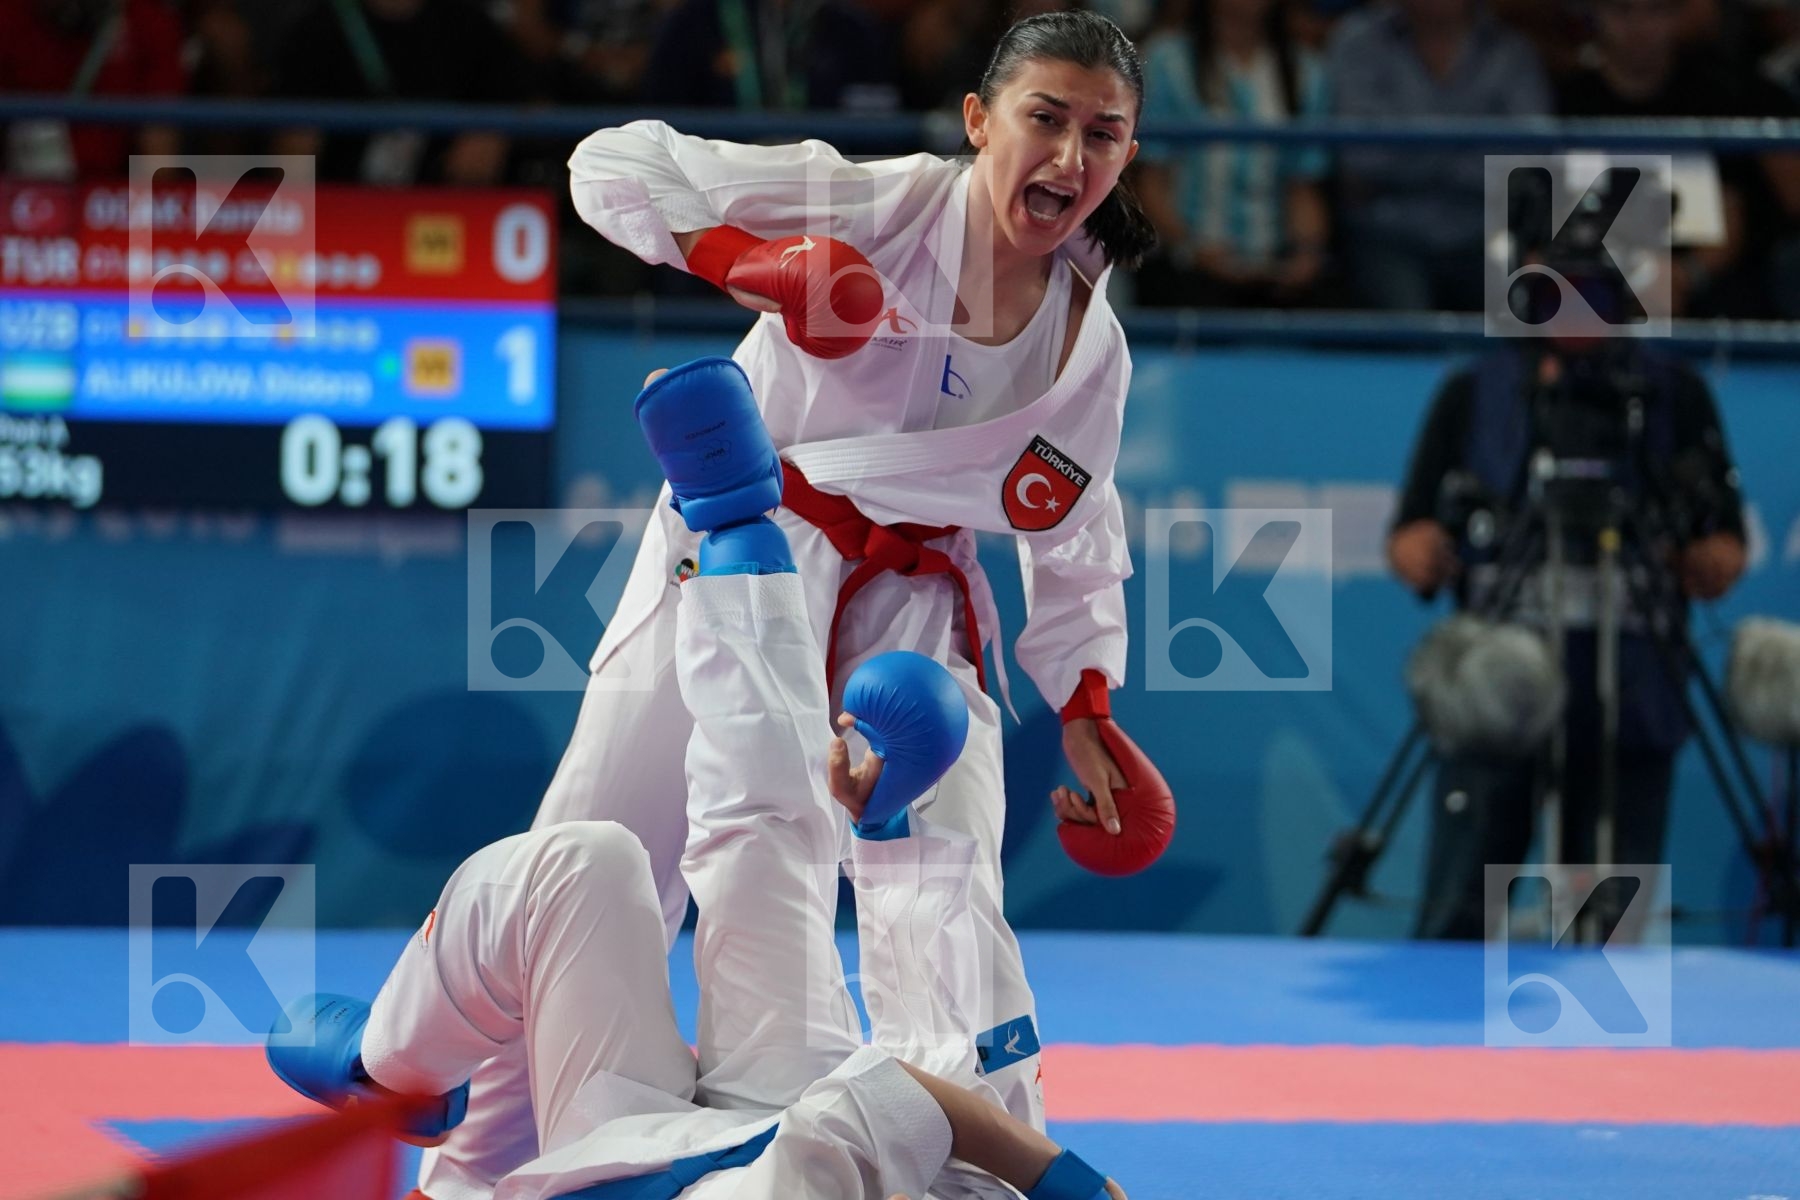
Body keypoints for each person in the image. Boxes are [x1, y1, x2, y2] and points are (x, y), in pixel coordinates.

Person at [417, 12, 1170, 1197]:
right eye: (1047, 119)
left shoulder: (1089, 350)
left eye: (1103, 135)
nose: (1071, 159)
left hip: (912, 610)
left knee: (950, 880)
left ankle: (986, 1175)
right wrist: (754, 266)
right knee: (598, 849)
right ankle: (473, 1169)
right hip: (739, 536)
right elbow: (608, 164)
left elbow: (1074, 526)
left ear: (1127, 157)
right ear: (981, 123)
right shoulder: (871, 204)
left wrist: (1085, 700)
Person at [267, 359, 1126, 1200]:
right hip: (807, 1114)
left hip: (623, 1142)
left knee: (580, 865)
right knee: (790, 870)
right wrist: (1072, 1185)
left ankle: (389, 1071)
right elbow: (915, 1098)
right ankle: (741, 533)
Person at [1387, 333, 1748, 940]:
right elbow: (1410, 536)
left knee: (1609, 944)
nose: (1575, 294)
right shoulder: (1476, 388)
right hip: (1494, 696)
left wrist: (1707, 556)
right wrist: (1424, 550)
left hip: (1629, 696)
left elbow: (1726, 546)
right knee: (1456, 921)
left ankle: (1595, 1037)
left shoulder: (1672, 391)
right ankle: (1437, 1035)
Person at [1327, 0, 1551, 312]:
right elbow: (1361, 158)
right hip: (1388, 235)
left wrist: (1412, 147)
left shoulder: (1512, 53)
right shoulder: (1359, 43)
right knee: (1407, 339)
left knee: (1517, 338)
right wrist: (1469, 145)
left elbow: (1525, 164)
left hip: (1484, 237)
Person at [1134, 0, 1333, 308]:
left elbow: (1303, 185)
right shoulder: (1166, 61)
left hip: (1272, 264)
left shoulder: (1305, 70)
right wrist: (1192, 248)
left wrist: (1306, 254)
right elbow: (1150, 180)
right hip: (1187, 263)